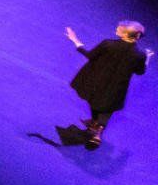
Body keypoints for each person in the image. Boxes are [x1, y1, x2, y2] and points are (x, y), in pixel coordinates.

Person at [63, 21, 148, 149]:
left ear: (125, 34)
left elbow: (90, 55)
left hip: (98, 82)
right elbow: (140, 72)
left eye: (119, 29)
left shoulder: (108, 44)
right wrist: (147, 59)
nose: (116, 30)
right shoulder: (140, 55)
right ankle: (97, 128)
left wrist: (75, 40)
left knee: (96, 102)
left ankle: (96, 129)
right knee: (107, 108)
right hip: (117, 87)